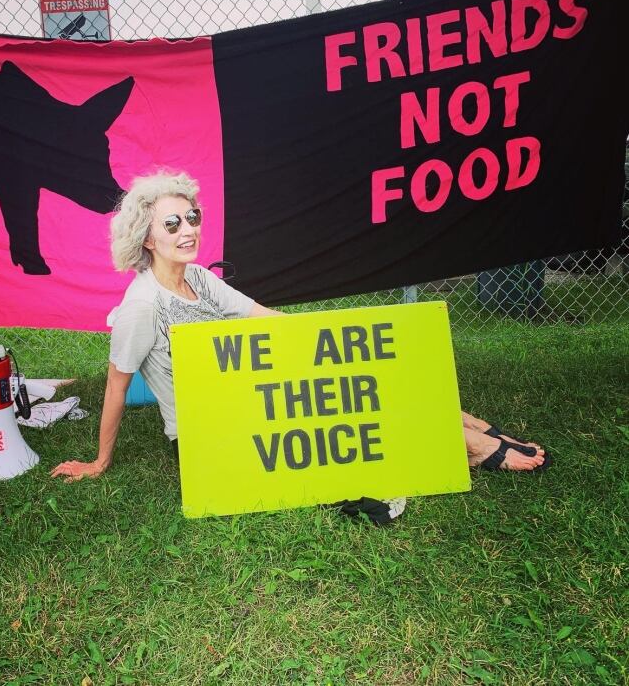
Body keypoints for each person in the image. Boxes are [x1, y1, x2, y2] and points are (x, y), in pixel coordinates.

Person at [50, 171, 549, 509]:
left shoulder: (198, 277)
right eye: (172, 224)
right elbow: (117, 386)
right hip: (212, 434)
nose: (188, 230)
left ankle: (474, 430)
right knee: (342, 406)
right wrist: (100, 461)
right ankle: (477, 446)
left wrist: (321, 340)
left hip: (252, 391)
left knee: (361, 378)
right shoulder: (142, 306)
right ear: (148, 238)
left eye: (193, 218)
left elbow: (261, 315)